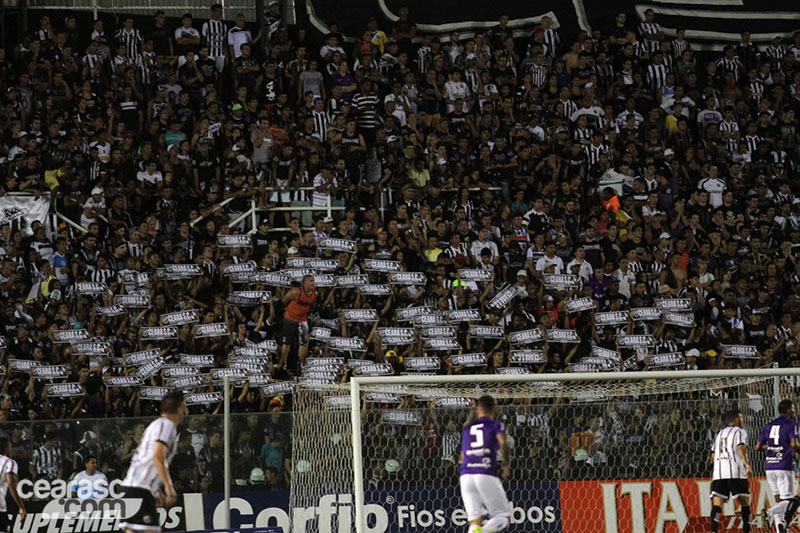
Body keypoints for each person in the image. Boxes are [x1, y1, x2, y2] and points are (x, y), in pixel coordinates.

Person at [119, 391, 186, 533]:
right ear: (179, 408)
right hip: (140, 489)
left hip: (132, 487)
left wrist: (155, 489)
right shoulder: (166, 425)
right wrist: (169, 488)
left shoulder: (155, 425)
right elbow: (157, 456)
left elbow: (146, 459)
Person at [459, 395, 510, 533]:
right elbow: (503, 442)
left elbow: (462, 456)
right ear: (494, 410)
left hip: (465, 475)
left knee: (474, 521)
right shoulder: (496, 425)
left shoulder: (468, 427)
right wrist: (506, 464)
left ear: (477, 410)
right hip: (484, 472)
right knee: (503, 517)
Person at [756, 399, 800, 533]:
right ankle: (769, 512)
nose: (795, 411)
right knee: (790, 501)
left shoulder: (768, 425)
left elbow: (757, 446)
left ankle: (780, 528)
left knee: (779, 500)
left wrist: (772, 447)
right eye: (793, 408)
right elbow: (793, 444)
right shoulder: (792, 424)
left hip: (769, 466)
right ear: (787, 410)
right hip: (784, 465)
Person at [710, 409, 753, 533]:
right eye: (741, 417)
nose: (742, 420)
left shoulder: (720, 433)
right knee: (745, 502)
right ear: (735, 420)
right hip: (736, 472)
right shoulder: (740, 431)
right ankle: (747, 530)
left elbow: (712, 454)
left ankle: (714, 531)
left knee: (717, 504)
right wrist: (747, 465)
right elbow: (741, 447)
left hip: (718, 474)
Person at [278, 274, 316, 369]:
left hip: (303, 320)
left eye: (313, 280)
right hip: (290, 318)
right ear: (305, 283)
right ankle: (283, 363)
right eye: (311, 281)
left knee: (303, 343)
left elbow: (311, 305)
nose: (313, 283)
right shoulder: (296, 291)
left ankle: (302, 363)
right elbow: (283, 302)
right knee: (286, 342)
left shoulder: (315, 293)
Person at [0, 437, 25, 533]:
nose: (12, 450)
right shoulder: (9, 462)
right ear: (6, 448)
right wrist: (21, 507)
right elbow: (11, 483)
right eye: (10, 447)